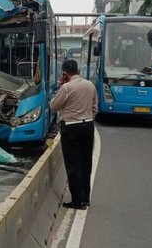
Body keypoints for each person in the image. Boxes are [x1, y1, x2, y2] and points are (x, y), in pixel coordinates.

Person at [50, 60, 98, 210]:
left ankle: (77, 200)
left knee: (73, 165)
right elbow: (95, 107)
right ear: (77, 70)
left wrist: (60, 86)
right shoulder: (90, 85)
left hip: (71, 128)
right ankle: (85, 198)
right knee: (86, 163)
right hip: (88, 125)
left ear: (65, 73)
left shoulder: (66, 87)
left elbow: (54, 106)